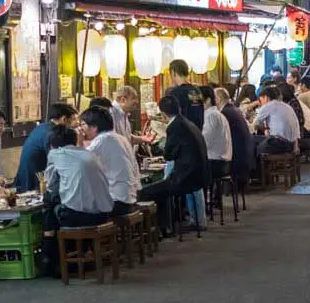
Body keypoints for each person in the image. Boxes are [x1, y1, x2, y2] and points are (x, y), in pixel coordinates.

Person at [41, 125, 113, 273]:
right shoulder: (90, 155)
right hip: (103, 215)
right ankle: (80, 255)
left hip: (78, 217)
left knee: (49, 202)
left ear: (52, 145)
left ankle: (52, 258)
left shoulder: (56, 154)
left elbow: (51, 184)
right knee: (63, 203)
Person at [137, 96, 210, 233]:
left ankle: (163, 228)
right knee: (160, 187)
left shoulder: (174, 127)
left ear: (163, 113)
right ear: (179, 108)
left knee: (145, 192)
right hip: (199, 174)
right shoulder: (188, 123)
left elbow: (168, 155)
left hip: (185, 178)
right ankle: (166, 226)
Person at [79, 106, 141, 215]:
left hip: (116, 201)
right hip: (129, 198)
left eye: (82, 124)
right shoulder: (119, 138)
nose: (81, 129)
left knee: (72, 209)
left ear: (94, 127)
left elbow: (80, 161)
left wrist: (79, 141)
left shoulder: (102, 139)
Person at [15, 102, 77, 191]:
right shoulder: (52, 133)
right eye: (71, 120)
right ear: (64, 119)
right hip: (35, 177)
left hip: (29, 173)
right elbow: (56, 160)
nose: (73, 124)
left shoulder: (43, 126)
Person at [214, 87, 253, 183]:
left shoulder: (224, 113)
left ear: (218, 99)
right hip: (245, 156)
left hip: (235, 160)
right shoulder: (234, 109)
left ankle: (214, 193)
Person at [251, 85, 301, 155]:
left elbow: (254, 124)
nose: (261, 104)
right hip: (292, 145)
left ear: (266, 97)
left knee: (251, 140)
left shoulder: (268, 105)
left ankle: (257, 165)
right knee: (259, 140)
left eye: (260, 100)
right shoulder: (287, 106)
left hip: (279, 144)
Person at [199, 86, 233, 184]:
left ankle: (199, 199)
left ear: (208, 100)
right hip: (221, 162)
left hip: (216, 163)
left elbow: (205, 143)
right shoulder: (216, 114)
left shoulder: (211, 115)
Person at [167, 59, 205, 130]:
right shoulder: (197, 90)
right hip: (198, 134)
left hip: (184, 136)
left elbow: (172, 119)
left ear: (173, 72)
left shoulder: (175, 93)